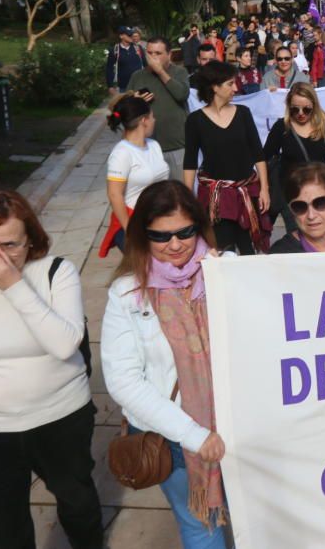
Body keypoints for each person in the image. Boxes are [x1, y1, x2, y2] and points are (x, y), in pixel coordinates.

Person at [100, 181, 230, 549]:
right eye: (161, 236)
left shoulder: (226, 271)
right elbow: (124, 382)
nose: (175, 245)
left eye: (185, 232)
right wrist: (194, 435)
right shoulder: (126, 294)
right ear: (143, 234)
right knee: (201, 528)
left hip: (238, 427)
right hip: (175, 440)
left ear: (199, 226)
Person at [0, 189, 103, 549]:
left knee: (78, 505)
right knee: (5, 523)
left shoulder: (57, 272)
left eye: (9, 245)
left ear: (31, 241)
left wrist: (13, 287)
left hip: (61, 416)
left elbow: (62, 343)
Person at [184, 61, 271, 254]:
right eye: (230, 84)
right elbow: (190, 161)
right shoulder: (195, 120)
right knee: (223, 250)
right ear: (215, 87)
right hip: (217, 198)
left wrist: (264, 189)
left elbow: (258, 153)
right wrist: (187, 197)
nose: (236, 88)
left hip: (246, 193)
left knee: (250, 250)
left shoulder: (243, 113)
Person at [264, 82, 325, 230]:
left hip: (321, 189)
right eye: (295, 109)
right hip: (292, 192)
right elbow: (264, 157)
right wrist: (264, 188)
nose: (301, 113)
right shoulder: (282, 127)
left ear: (314, 105)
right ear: (289, 106)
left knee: (322, 231)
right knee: (298, 234)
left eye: (307, 109)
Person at [100, 93, 169, 257]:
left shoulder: (154, 146)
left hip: (158, 218)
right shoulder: (122, 153)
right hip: (134, 220)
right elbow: (114, 193)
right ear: (144, 121)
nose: (155, 120)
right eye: (152, 117)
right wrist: (130, 230)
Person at [125, 36, 190, 179]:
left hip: (176, 145)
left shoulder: (180, 72)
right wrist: (136, 101)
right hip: (145, 147)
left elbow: (181, 94)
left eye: (158, 53)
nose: (153, 57)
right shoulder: (138, 76)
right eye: (150, 53)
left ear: (169, 54)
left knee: (180, 194)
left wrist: (161, 72)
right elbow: (123, 109)